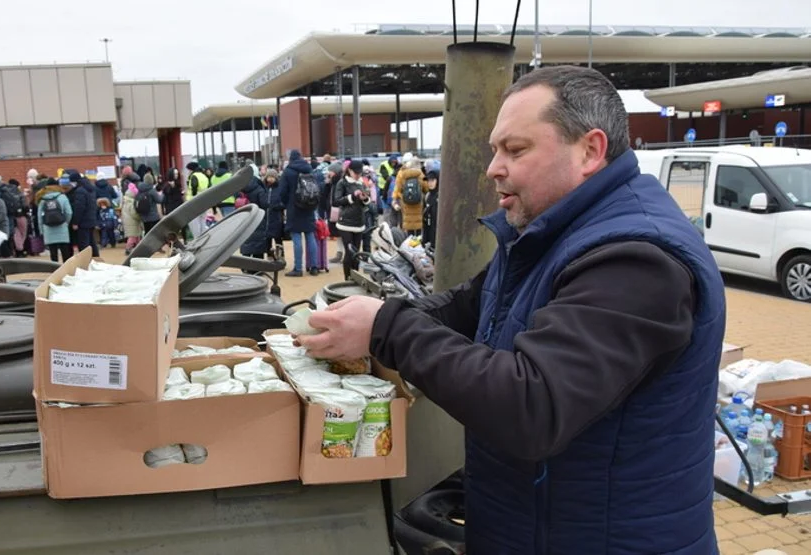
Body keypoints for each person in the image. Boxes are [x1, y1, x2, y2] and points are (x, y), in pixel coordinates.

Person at [296, 66, 726, 554]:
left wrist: (387, 327)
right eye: (494, 150)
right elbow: (472, 304)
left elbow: (533, 405)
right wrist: (379, 318)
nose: (493, 168)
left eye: (516, 150)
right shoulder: (552, 229)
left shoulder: (636, 259)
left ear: (591, 150)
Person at [278, 149, 319, 277]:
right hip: (309, 206)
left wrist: (286, 204)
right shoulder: (309, 169)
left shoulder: (288, 171)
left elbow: (282, 192)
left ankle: (298, 268)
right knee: (310, 236)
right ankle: (314, 267)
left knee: (296, 238)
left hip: (294, 207)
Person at [331, 161, 370, 280]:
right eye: (355, 173)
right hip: (345, 223)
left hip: (359, 221)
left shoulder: (361, 182)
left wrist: (365, 198)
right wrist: (352, 196)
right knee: (349, 252)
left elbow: (366, 204)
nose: (357, 175)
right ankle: (347, 278)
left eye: (359, 173)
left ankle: (356, 277)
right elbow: (336, 201)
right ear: (349, 170)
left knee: (356, 252)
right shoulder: (342, 183)